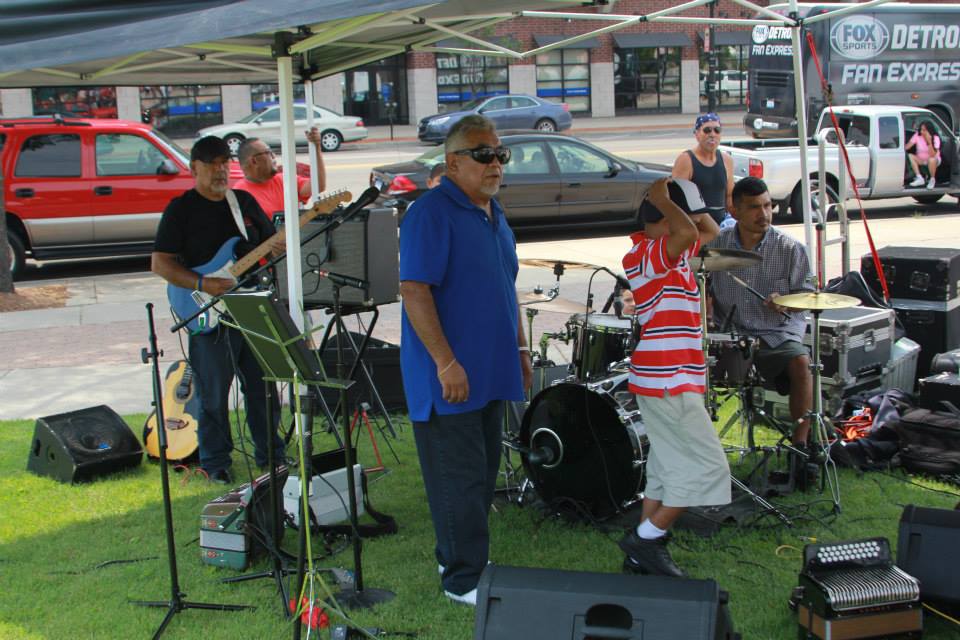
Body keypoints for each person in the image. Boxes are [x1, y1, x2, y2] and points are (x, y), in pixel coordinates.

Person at [399, 115, 532, 606]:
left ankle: (458, 554)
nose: (495, 163)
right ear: (453, 162)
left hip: (491, 370)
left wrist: (520, 348)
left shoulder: (493, 213)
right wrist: (445, 362)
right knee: (458, 477)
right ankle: (463, 579)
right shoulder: (430, 213)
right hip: (449, 376)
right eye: (483, 154)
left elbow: (505, 287)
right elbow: (414, 291)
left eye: (500, 154)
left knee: (480, 472)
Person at [151, 136, 285, 485]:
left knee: (262, 387)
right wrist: (202, 284)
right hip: (206, 310)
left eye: (225, 161)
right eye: (212, 163)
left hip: (249, 306)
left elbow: (267, 248)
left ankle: (272, 455)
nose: (220, 169)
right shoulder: (181, 209)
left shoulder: (242, 202)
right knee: (213, 392)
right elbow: (161, 264)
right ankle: (215, 463)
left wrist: (277, 247)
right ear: (194, 168)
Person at [617, 177, 729, 578]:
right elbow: (686, 230)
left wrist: (684, 202)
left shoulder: (672, 252)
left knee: (665, 467)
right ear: (664, 216)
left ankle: (643, 553)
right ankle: (644, 540)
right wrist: (665, 198)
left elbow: (708, 230)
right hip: (668, 378)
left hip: (670, 376)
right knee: (707, 467)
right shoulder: (647, 253)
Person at [707, 176, 814, 451]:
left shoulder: (791, 248)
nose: (764, 214)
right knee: (687, 363)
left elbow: (808, 296)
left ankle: (800, 446)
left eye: (768, 206)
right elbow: (702, 288)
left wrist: (787, 302)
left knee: (801, 363)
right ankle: (700, 445)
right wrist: (704, 316)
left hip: (775, 332)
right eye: (755, 207)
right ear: (735, 211)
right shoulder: (717, 245)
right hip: (729, 333)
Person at [233, 127, 327, 220]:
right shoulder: (239, 195)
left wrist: (317, 147)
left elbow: (318, 186)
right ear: (254, 161)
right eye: (268, 152)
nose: (274, 156)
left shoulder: (284, 180)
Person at [672, 113, 735, 228]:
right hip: (696, 229)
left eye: (717, 130)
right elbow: (676, 201)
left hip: (721, 228)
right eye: (707, 130)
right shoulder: (686, 160)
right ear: (697, 134)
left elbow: (730, 196)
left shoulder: (727, 160)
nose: (712, 134)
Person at [905, 120, 941, 189]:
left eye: (924, 130)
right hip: (921, 160)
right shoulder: (917, 135)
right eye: (921, 130)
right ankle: (919, 177)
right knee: (910, 156)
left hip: (933, 160)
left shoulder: (935, 138)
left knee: (931, 160)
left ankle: (932, 179)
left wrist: (929, 142)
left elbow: (933, 154)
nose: (922, 132)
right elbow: (908, 146)